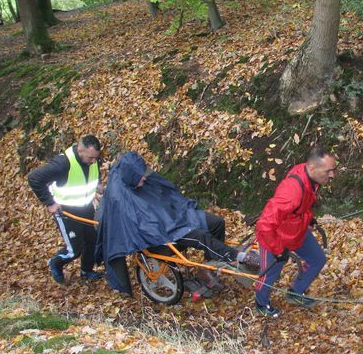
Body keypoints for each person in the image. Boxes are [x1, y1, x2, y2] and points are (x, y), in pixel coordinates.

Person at [95, 152, 260, 296]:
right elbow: (138, 226)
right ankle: (235, 256)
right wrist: (168, 227)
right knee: (200, 237)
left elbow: (167, 194)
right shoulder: (120, 197)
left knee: (217, 223)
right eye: (140, 176)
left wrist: (177, 213)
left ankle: (208, 268)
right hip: (159, 237)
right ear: (131, 176)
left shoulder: (138, 179)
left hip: (175, 218)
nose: (144, 178)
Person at [254, 146, 337, 317]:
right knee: (271, 273)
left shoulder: (312, 177)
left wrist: (309, 217)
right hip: (274, 236)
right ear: (313, 167)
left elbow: (303, 203)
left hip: (296, 229)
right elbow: (265, 224)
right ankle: (261, 304)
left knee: (317, 259)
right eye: (328, 171)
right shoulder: (291, 191)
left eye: (333, 170)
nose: (332, 175)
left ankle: (295, 292)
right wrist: (278, 250)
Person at [28, 135, 105, 284]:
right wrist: (50, 203)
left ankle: (86, 271)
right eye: (90, 158)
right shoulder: (62, 164)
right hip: (66, 212)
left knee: (91, 240)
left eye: (96, 158)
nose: (94, 161)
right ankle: (56, 263)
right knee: (74, 249)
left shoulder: (92, 158)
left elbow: (92, 174)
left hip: (86, 207)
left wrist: (98, 185)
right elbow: (34, 178)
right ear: (80, 150)